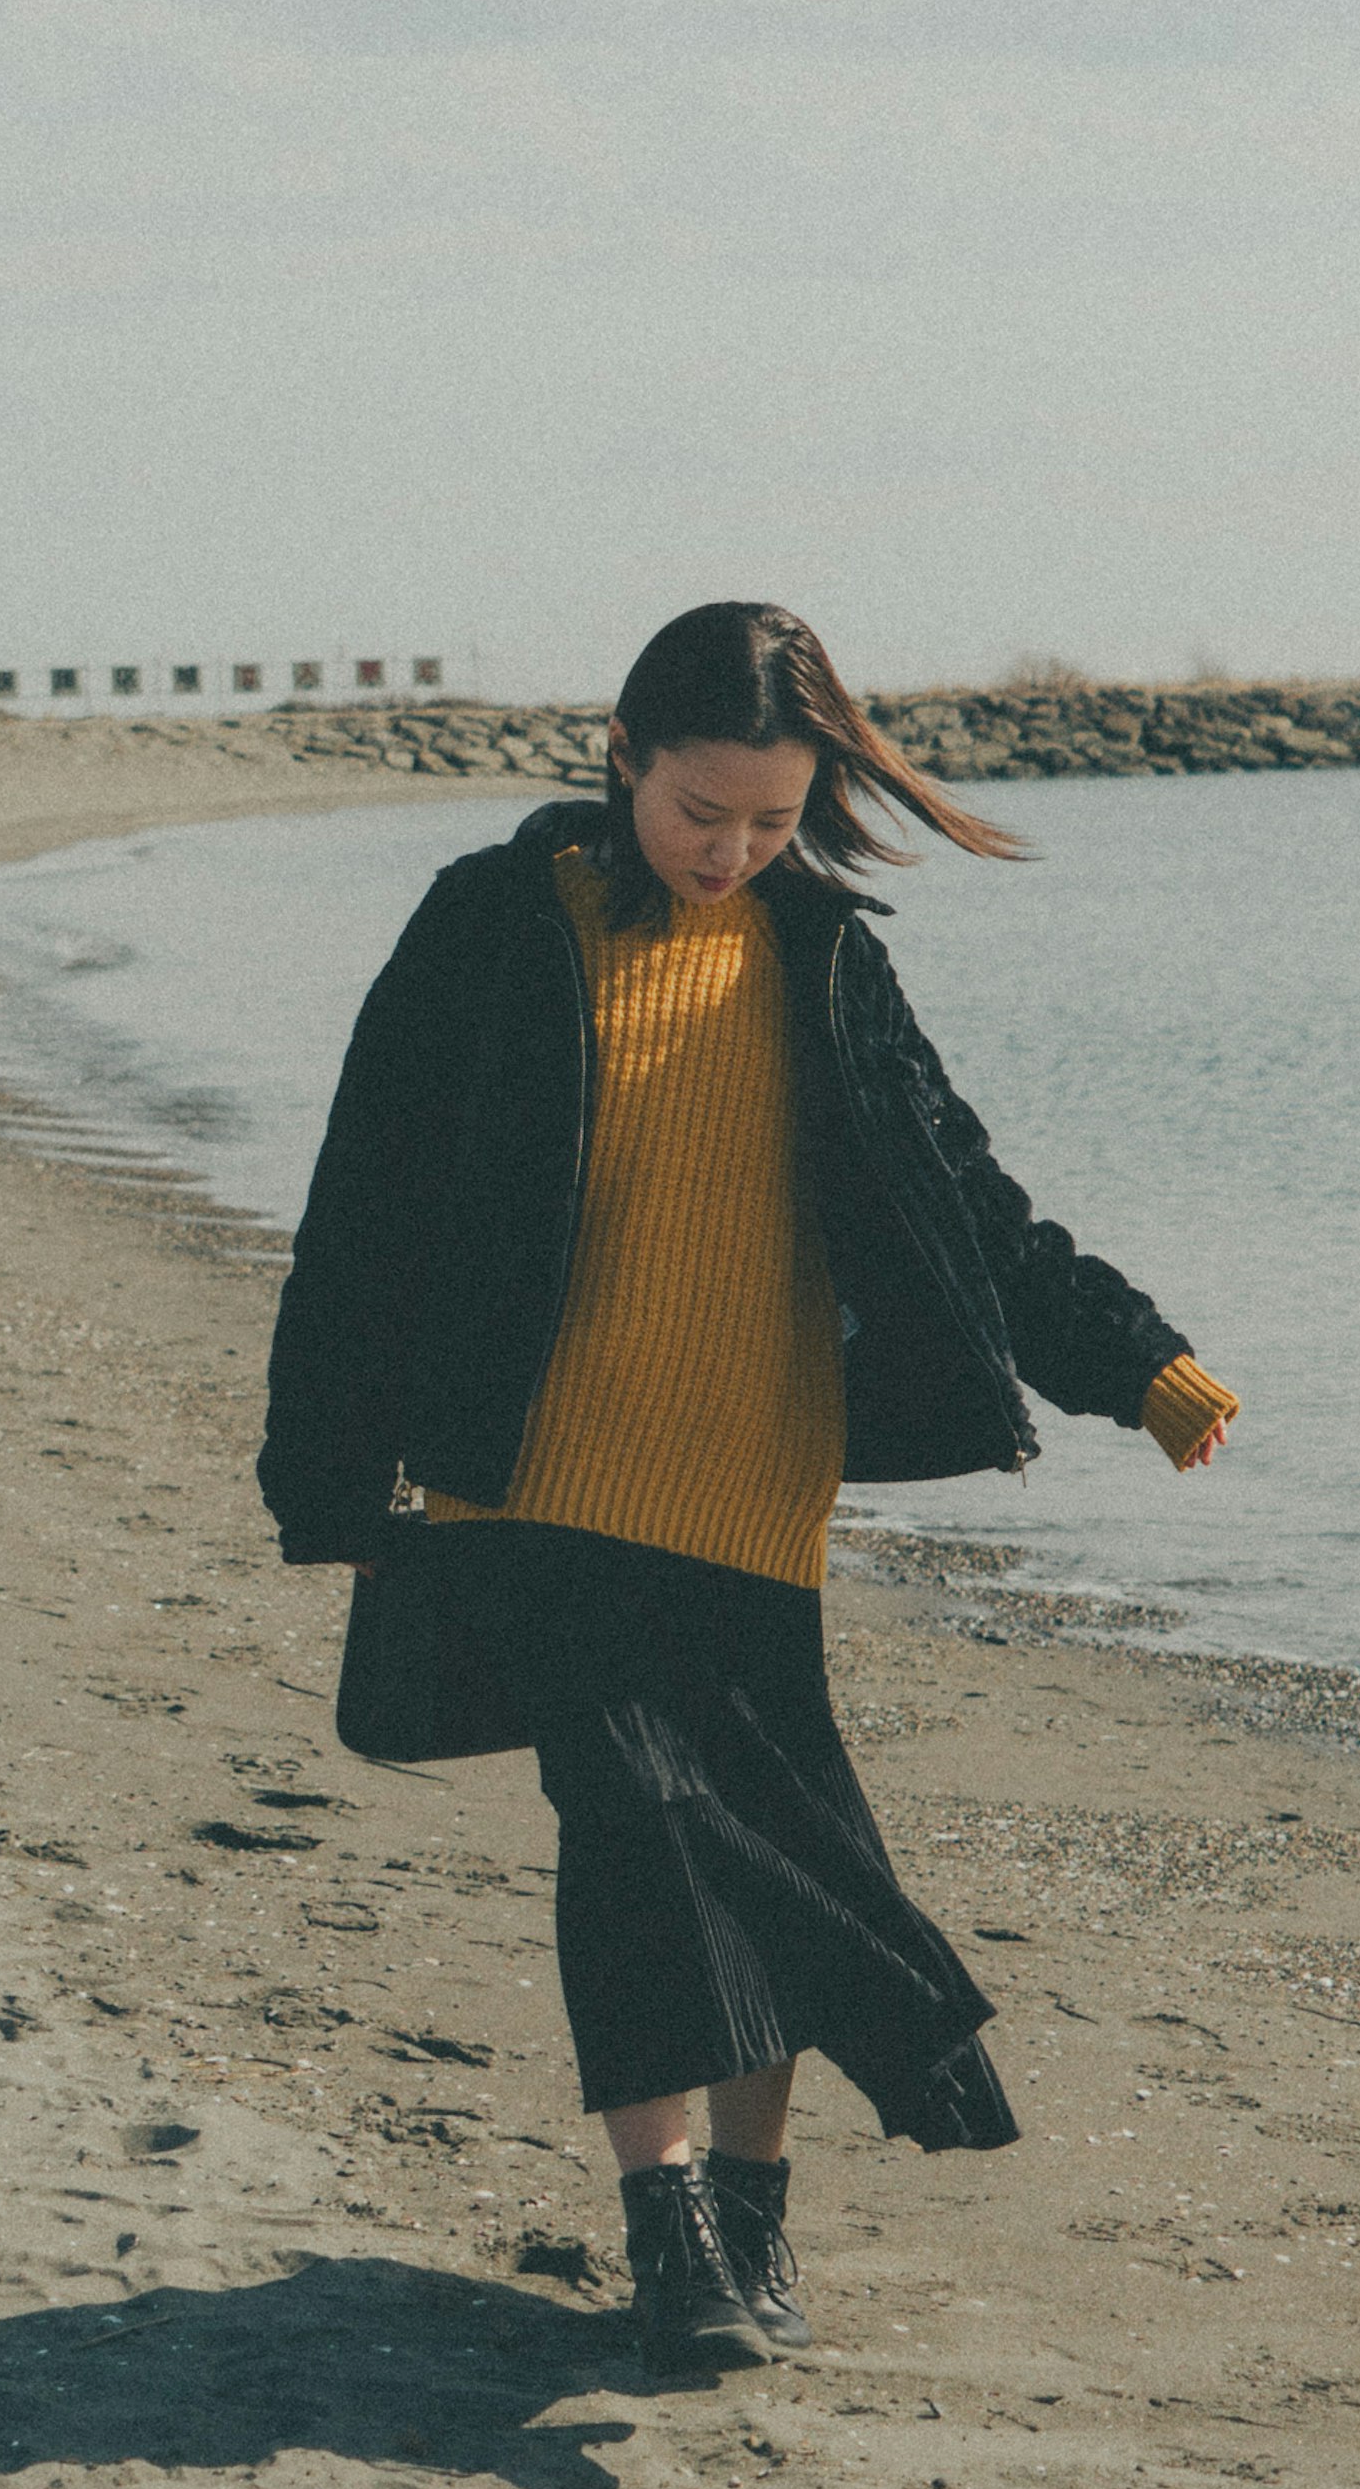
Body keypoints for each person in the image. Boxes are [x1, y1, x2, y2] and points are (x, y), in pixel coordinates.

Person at [261, 599, 1237, 2385]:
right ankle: (668, 2228)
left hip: (749, 1488)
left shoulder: (820, 959)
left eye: (774, 822)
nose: (733, 852)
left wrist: (1132, 1365)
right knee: (637, 1827)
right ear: (622, 756)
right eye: (703, 811)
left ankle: (758, 2211)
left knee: (776, 1853)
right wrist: (325, 1476)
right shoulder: (490, 929)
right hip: (534, 1483)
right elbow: (364, 1209)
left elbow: (964, 1196)